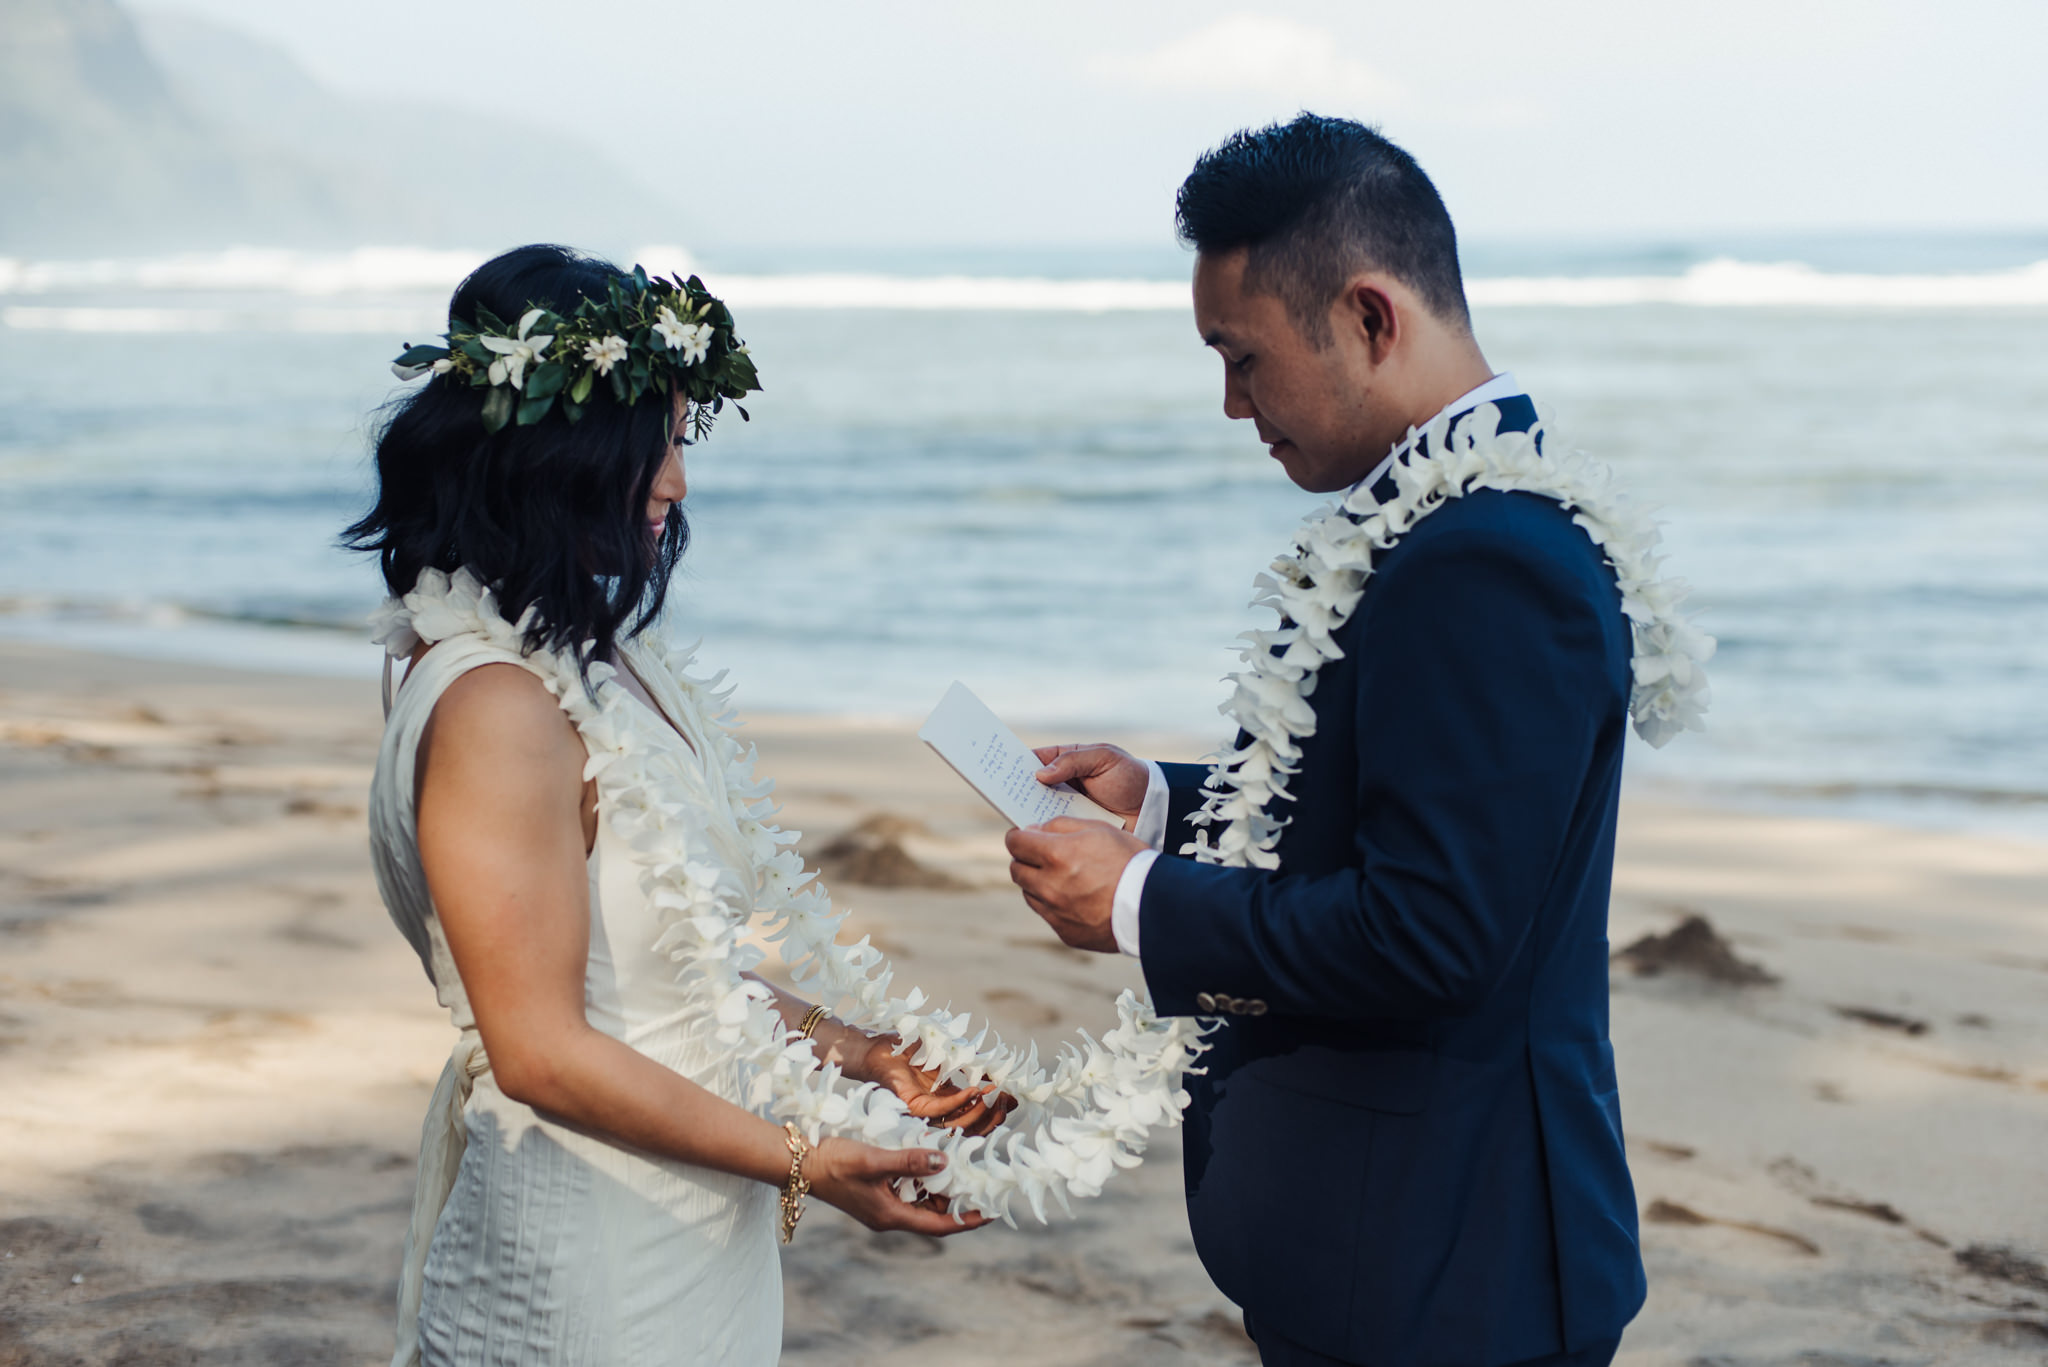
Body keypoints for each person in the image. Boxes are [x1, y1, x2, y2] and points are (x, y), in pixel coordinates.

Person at [1006, 116, 1677, 1367]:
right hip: (1401, 1250)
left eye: (1242, 357)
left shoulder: (1484, 558)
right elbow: (1398, 806)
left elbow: (1431, 930)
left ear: (1369, 318)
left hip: (1445, 1265)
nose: (1228, 404)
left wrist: (1141, 901)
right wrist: (1163, 801)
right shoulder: (1452, 532)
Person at [349, 245, 1003, 1367]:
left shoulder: (581, 659)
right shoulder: (496, 704)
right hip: (594, 1271)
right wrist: (806, 1159)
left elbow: (650, 972)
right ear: (557, 448)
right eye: (651, 443)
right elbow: (542, 1048)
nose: (675, 483)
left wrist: (862, 1052)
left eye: (679, 439)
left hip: (690, 1245)